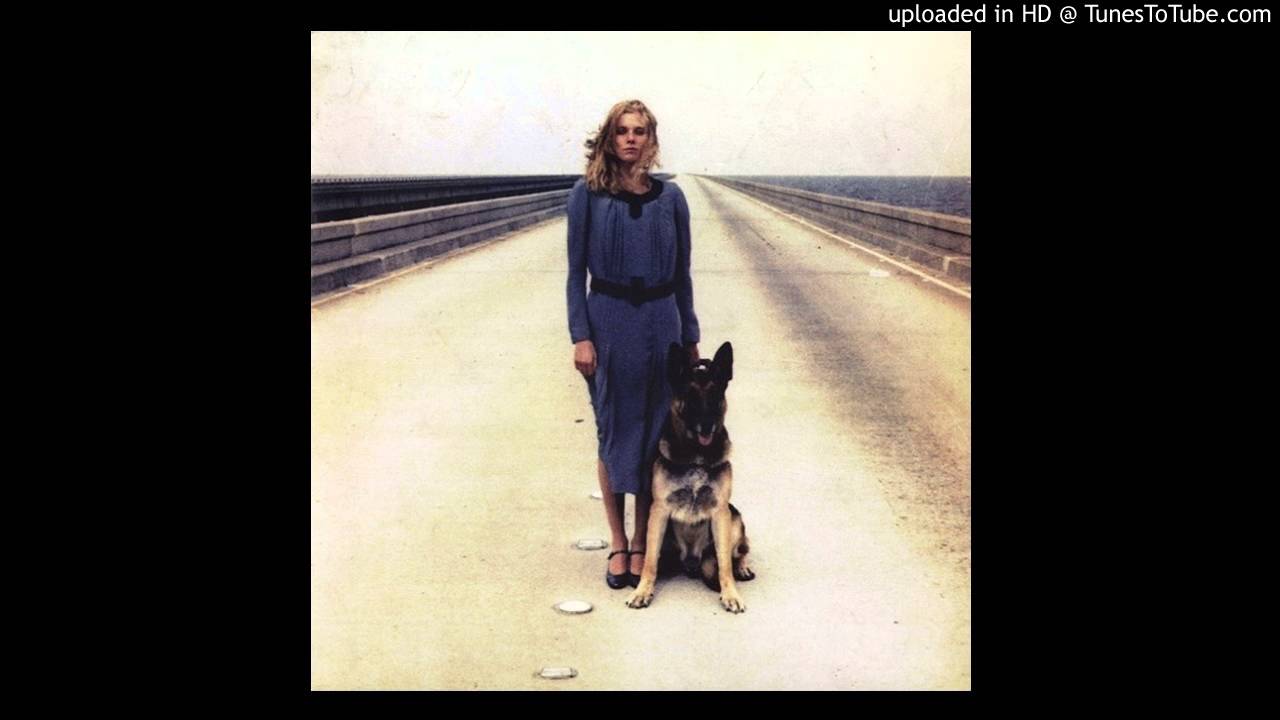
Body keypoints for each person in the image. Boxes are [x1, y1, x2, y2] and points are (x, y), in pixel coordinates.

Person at [566, 99, 700, 589]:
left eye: (639, 131)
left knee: (654, 434)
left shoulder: (672, 199)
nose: (630, 139)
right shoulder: (586, 195)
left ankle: (644, 541)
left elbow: (683, 274)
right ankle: (618, 542)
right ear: (609, 137)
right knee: (613, 430)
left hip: (662, 323)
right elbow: (574, 273)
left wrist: (690, 335)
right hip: (609, 320)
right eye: (622, 130)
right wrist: (581, 335)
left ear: (651, 139)